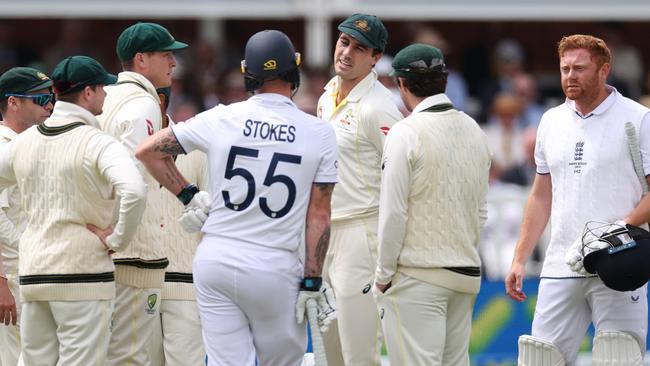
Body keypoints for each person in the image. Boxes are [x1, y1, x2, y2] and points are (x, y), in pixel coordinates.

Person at [136, 29, 338, 366]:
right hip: (275, 264)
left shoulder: (222, 116)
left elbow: (148, 150)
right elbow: (319, 214)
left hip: (216, 257)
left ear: (248, 75)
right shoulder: (318, 131)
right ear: (294, 71)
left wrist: (189, 195)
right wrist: (313, 277)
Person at [505, 34, 650, 365]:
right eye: (565, 68)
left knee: (619, 356)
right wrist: (520, 257)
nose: (570, 76)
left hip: (618, 261)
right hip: (561, 263)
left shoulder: (638, 119)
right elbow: (541, 195)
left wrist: (616, 230)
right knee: (539, 358)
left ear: (603, 70)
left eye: (580, 68)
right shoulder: (550, 121)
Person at [0, 55, 146, 365]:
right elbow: (134, 189)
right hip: (82, 276)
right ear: (88, 93)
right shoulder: (98, 142)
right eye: (102, 88)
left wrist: (25, 241)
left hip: (34, 275)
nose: (106, 94)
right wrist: (117, 239)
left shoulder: (23, 143)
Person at [373, 44, 490, 366]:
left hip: (417, 273)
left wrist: (383, 273)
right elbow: (480, 212)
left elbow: (394, 212)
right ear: (444, 80)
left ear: (401, 84)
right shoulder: (475, 130)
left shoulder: (404, 133)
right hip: (465, 272)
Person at [96, 22, 188, 365]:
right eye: (166, 54)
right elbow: (131, 180)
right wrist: (119, 235)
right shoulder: (142, 103)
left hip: (107, 250)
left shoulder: (104, 97)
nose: (173, 63)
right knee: (130, 356)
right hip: (132, 251)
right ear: (141, 60)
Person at [316, 13, 403, 366]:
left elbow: (402, 177)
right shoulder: (326, 96)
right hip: (326, 232)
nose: (347, 52)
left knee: (358, 353)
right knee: (328, 349)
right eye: (344, 42)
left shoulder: (379, 107)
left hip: (362, 234)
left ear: (375, 58)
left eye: (359, 48)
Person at [148, 87, 207, 366]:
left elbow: (213, 214)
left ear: (158, 102)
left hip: (185, 282)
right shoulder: (121, 144)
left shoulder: (196, 147)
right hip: (137, 280)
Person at [0, 66, 54, 366]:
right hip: (13, 276)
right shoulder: (2, 147)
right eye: (38, 99)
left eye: (50, 97)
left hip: (32, 270)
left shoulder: (30, 145)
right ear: (13, 102)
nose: (48, 105)